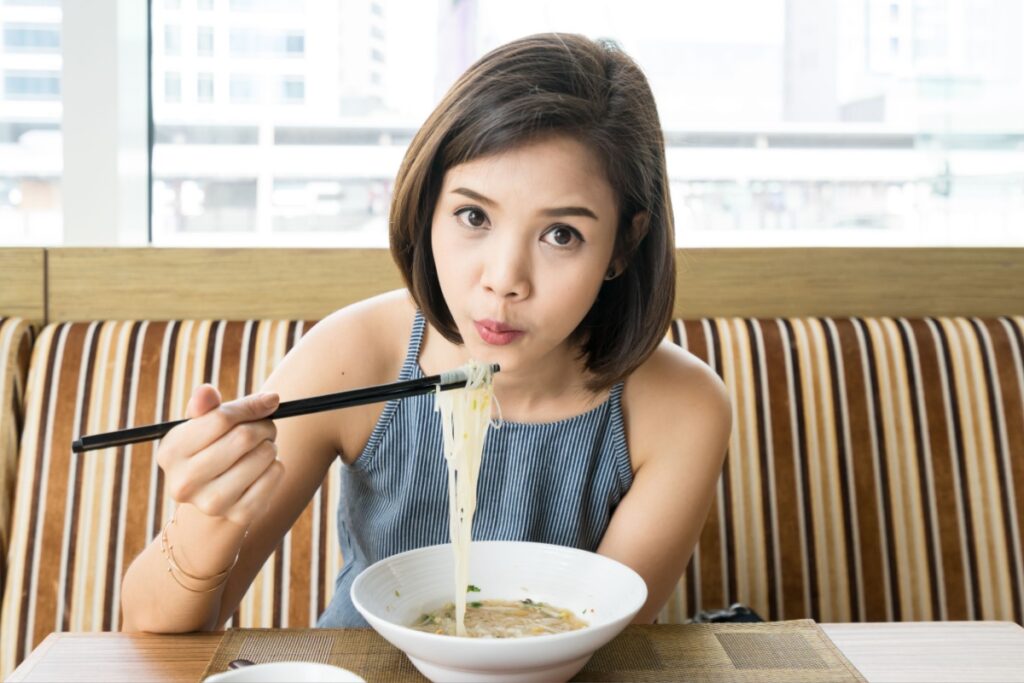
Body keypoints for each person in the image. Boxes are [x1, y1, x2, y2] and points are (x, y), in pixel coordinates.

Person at [120, 32, 731, 633]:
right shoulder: (358, 354)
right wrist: (207, 512)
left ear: (623, 245)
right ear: (428, 205)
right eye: (473, 216)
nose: (504, 280)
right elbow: (151, 627)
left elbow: (597, 639)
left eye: (560, 234)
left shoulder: (679, 407)